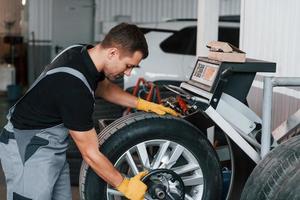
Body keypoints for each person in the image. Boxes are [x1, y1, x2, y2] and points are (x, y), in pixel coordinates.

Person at [0, 23, 177, 200]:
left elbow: (104, 88)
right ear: (113, 53)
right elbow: (91, 154)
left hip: (51, 148)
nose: (129, 73)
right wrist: (124, 184)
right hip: (27, 147)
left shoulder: (81, 52)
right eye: (128, 65)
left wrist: (143, 104)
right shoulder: (74, 89)